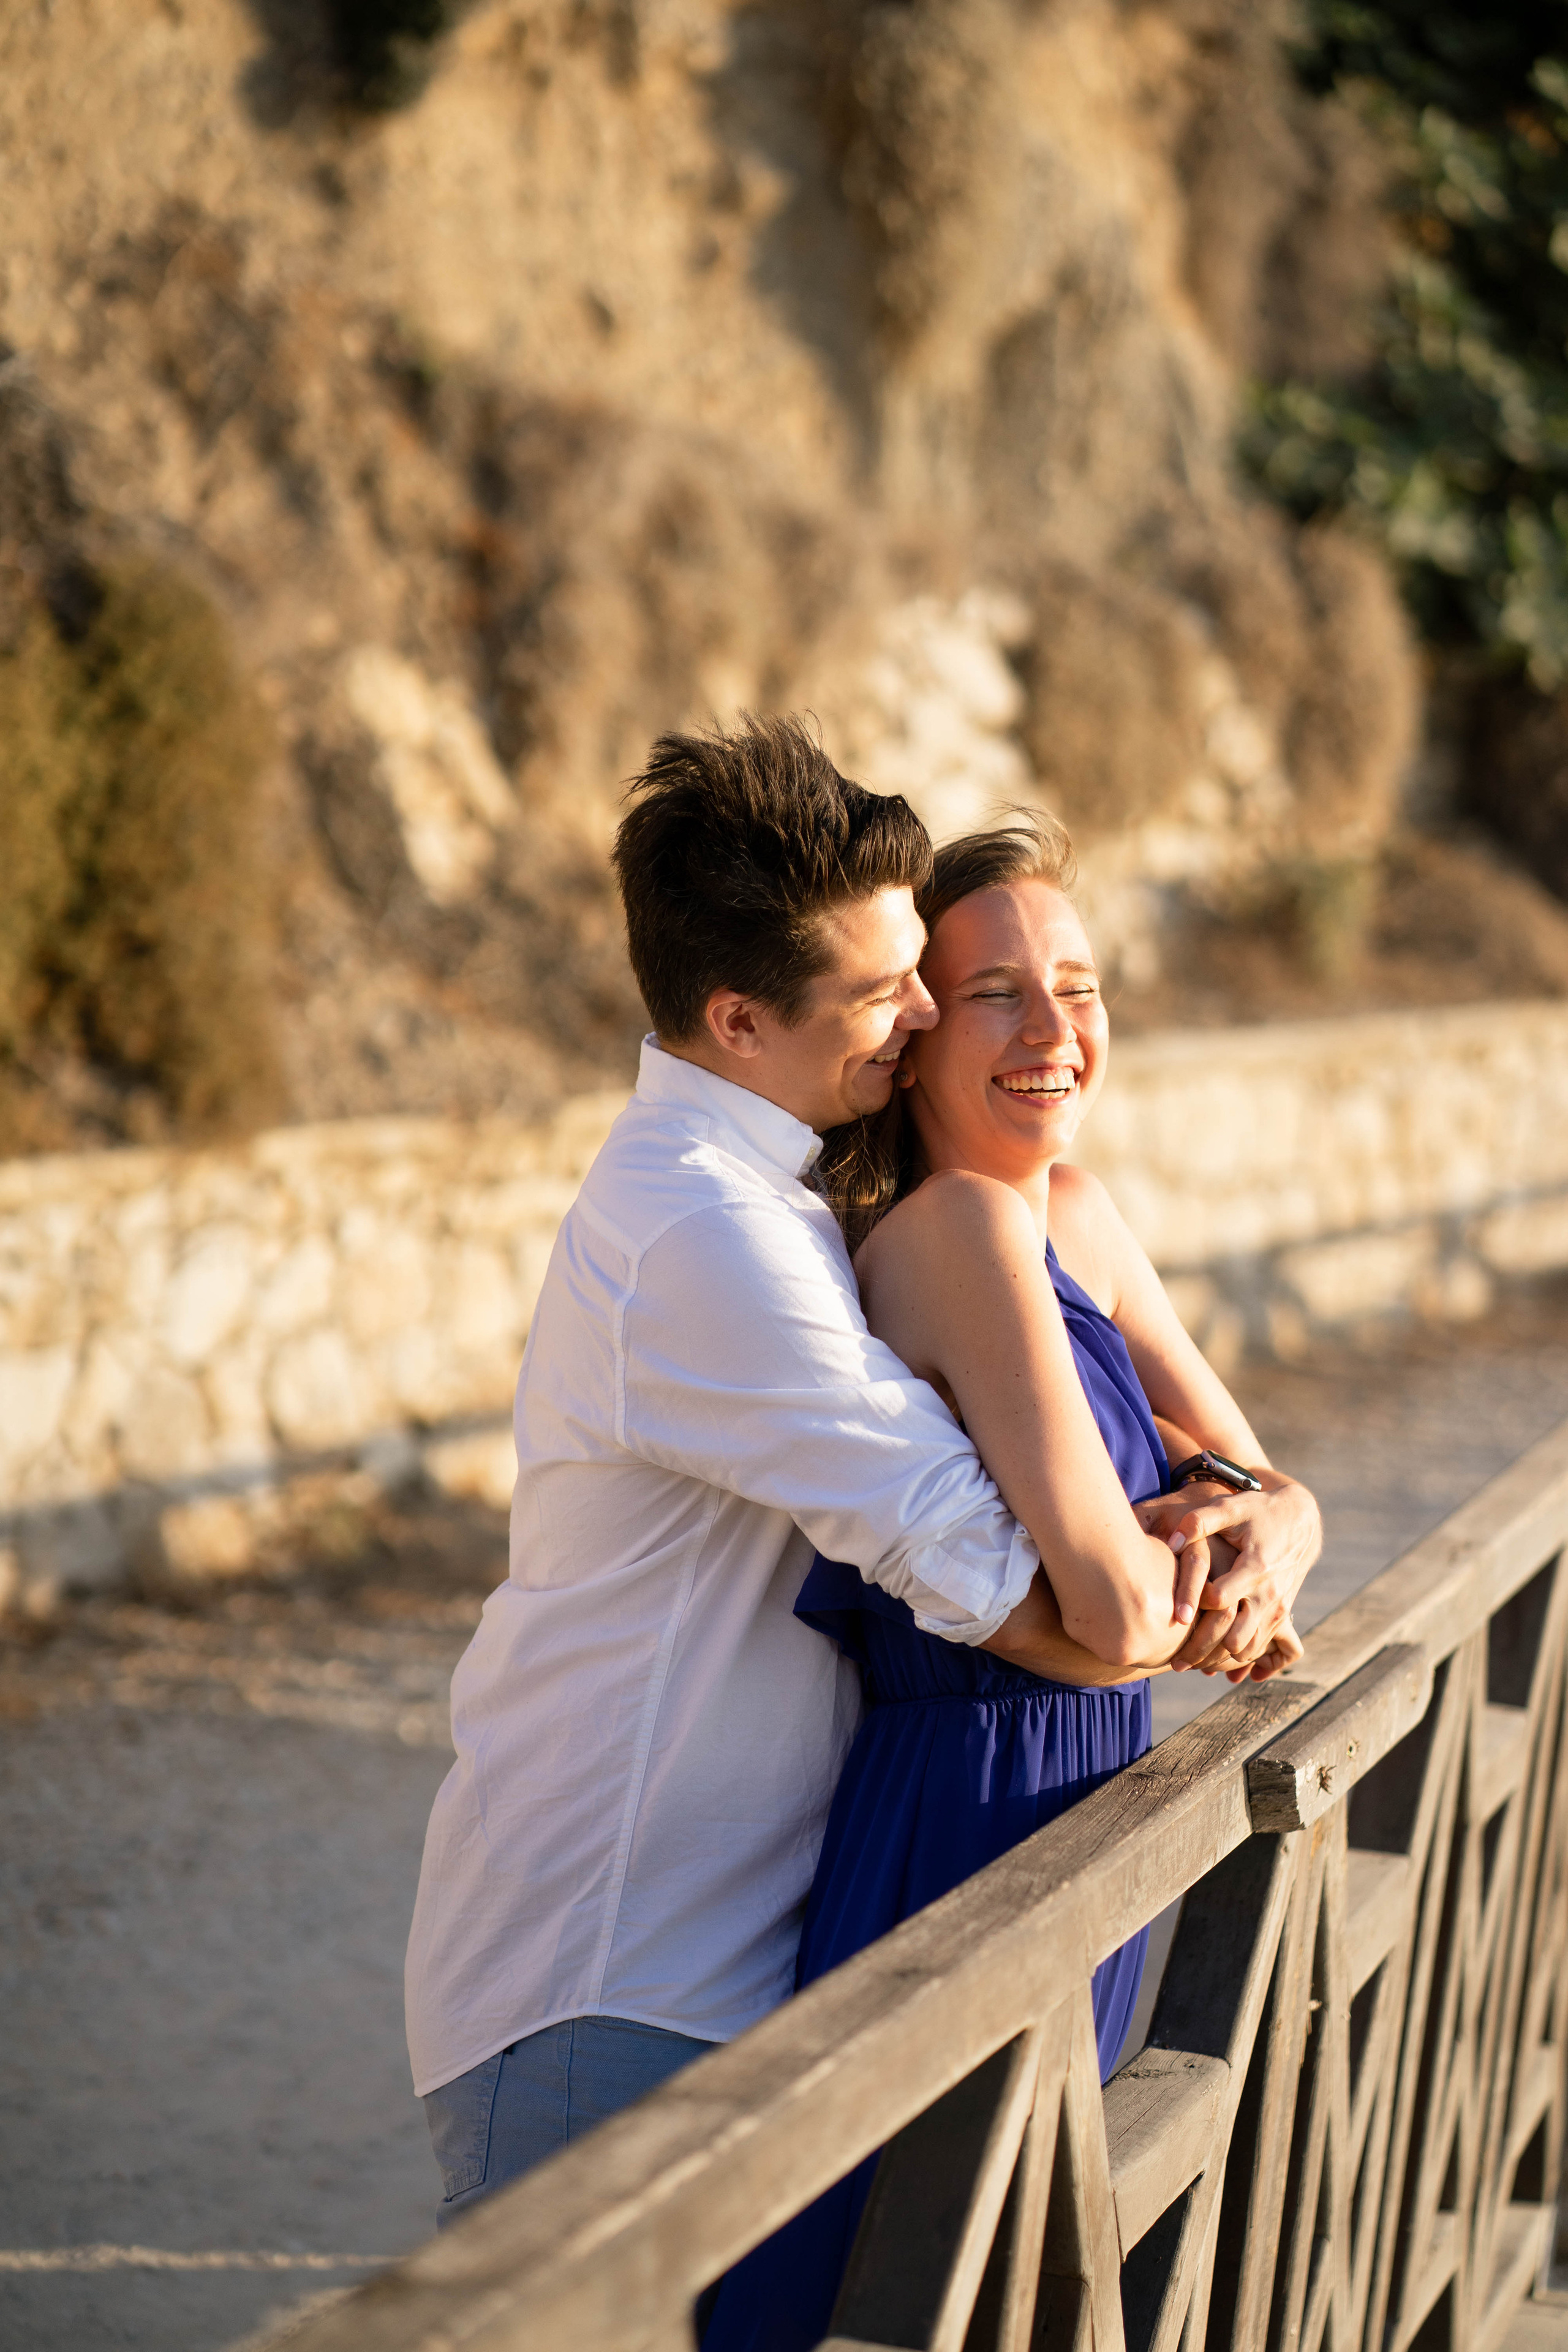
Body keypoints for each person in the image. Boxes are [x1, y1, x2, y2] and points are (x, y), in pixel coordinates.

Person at [404, 718, 1317, 2226]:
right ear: (736, 1020)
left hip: (766, 1943)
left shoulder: (797, 1200)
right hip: (616, 1976)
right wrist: (1216, 1592)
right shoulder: (710, 1236)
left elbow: (1167, 1486)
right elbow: (1034, 1598)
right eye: (889, 991)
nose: (912, 1021)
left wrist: (1269, 1511)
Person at [703, 815, 1317, 2352]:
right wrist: (1211, 1550)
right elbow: (1116, 1615)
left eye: (1079, 983)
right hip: (965, 1818)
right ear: (911, 1039)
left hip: (1073, 1789)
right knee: (905, 2274)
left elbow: (1266, 1486)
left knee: (1004, 2264)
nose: (1053, 1030)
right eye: (994, 994)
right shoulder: (956, 1229)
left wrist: (1269, 1531)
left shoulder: (1076, 1214)